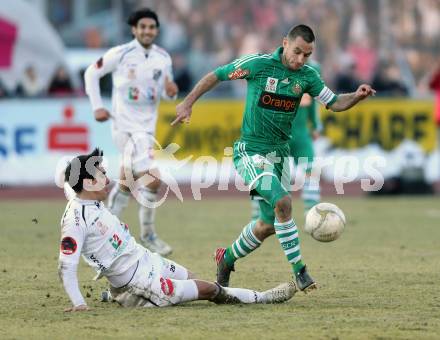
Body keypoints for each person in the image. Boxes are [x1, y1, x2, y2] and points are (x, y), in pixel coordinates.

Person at [172, 25, 375, 291]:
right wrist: (188, 103)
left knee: (267, 225)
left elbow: (334, 102)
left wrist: (357, 97)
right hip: (250, 150)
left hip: (280, 154)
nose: (301, 59)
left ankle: (226, 259)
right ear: (285, 44)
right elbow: (217, 75)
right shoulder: (258, 64)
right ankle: (300, 271)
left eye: (307, 54)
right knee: (284, 201)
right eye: (297, 52)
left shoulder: (308, 76)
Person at [58, 148, 297, 311]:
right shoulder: (76, 219)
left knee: (193, 277)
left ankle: (115, 294)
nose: (107, 180)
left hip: (146, 260)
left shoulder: (90, 200)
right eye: (102, 175)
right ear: (88, 183)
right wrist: (79, 303)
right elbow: (66, 265)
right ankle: (264, 297)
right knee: (209, 289)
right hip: (137, 282)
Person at [84, 8, 178, 256]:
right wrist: (97, 107)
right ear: (134, 30)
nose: (147, 31)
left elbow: (168, 89)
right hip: (123, 126)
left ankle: (104, 233)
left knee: (126, 181)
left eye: (151, 27)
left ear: (156, 30)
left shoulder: (163, 58)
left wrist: (172, 92)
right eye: (143, 27)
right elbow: (91, 73)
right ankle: (147, 234)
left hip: (146, 129)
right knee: (152, 178)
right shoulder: (120, 54)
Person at [250, 60, 322, 220]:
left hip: (300, 133)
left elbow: (314, 100)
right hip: (276, 135)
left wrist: (316, 125)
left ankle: (312, 215)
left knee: (311, 170)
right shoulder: (271, 68)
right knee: (267, 175)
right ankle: (257, 216)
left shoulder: (314, 69)